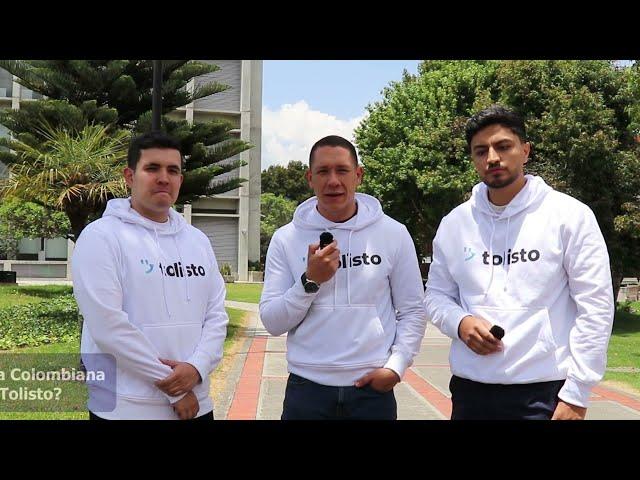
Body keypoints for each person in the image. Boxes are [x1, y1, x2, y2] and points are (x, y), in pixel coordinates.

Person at [424, 105, 614, 420]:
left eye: (503, 146)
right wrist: (460, 323)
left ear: (525, 151)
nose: (492, 158)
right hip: (471, 391)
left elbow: (596, 306)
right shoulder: (455, 223)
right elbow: (436, 295)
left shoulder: (569, 216)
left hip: (544, 393)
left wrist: (577, 393)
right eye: (480, 151)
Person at [260, 135, 426, 420]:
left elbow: (412, 309)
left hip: (372, 390)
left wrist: (396, 367)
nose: (333, 181)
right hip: (307, 387)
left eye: (342, 170)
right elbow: (272, 322)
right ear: (309, 177)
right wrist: (309, 281)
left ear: (358, 175)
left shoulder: (392, 233)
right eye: (323, 172)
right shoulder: (286, 238)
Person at [72, 131, 228, 420]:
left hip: (197, 403)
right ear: (130, 176)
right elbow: (108, 327)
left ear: (181, 179)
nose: (163, 178)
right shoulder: (100, 238)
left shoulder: (198, 241)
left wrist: (196, 369)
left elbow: (216, 316)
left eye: (173, 170)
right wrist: (175, 389)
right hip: (126, 408)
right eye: (152, 168)